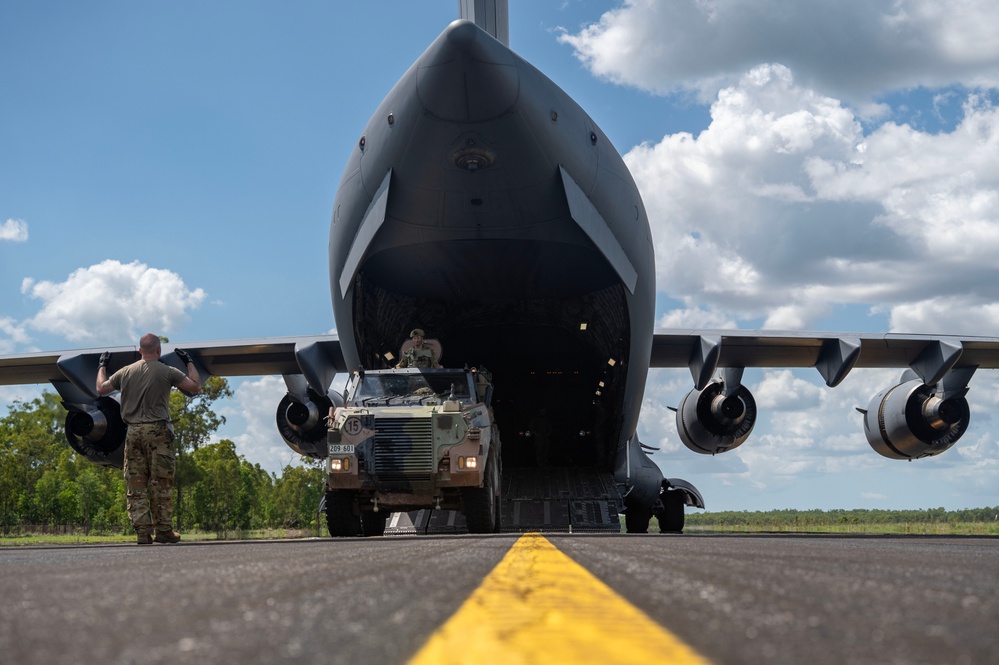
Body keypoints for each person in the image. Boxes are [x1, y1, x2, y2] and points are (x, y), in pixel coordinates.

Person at [96, 333, 201, 544]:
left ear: (139, 351)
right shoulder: (167, 371)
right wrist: (189, 361)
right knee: (160, 482)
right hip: (158, 432)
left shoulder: (125, 372)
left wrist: (102, 366)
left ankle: (142, 532)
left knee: (136, 484)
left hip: (133, 432)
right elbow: (195, 386)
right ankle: (163, 531)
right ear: (159, 351)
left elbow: (101, 388)